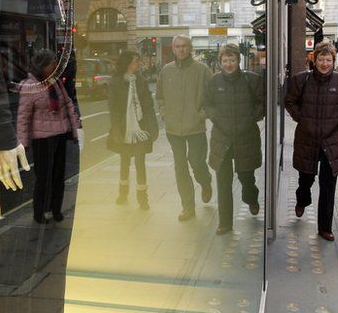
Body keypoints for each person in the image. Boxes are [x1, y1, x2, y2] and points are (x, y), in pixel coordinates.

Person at [284, 42, 338, 241]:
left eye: (329, 60)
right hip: (307, 137)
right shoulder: (301, 80)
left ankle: (325, 227)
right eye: (321, 59)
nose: (324, 64)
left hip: (331, 140)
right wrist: (302, 118)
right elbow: (290, 101)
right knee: (305, 179)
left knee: (328, 185)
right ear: (314, 59)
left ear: (334, 61)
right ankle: (302, 201)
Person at [204, 44, 266, 235]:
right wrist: (217, 118)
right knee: (223, 181)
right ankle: (225, 223)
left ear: (238, 60)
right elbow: (207, 105)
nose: (229, 64)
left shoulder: (252, 79)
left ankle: (251, 198)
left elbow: (262, 104)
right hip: (222, 138)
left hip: (246, 136)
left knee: (246, 177)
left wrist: (248, 120)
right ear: (220, 62)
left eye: (232, 60)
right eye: (225, 61)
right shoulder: (214, 81)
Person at [17, 49, 81, 224]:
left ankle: (56, 209)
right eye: (52, 63)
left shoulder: (56, 82)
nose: (55, 65)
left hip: (60, 134)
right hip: (42, 138)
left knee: (58, 175)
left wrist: (76, 131)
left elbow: (68, 105)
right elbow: (23, 116)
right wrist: (23, 142)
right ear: (42, 66)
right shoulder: (30, 86)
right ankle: (39, 212)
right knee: (44, 177)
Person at [157, 35, 214, 221]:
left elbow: (212, 98)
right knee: (180, 167)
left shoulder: (202, 70)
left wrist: (202, 115)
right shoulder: (166, 71)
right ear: (173, 49)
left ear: (190, 48)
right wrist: (165, 113)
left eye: (184, 46)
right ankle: (188, 207)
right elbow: (159, 96)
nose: (181, 49)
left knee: (197, 163)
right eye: (177, 46)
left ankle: (205, 182)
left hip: (195, 127)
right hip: (174, 129)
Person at [107, 51, 159, 210]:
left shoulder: (141, 81)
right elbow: (114, 109)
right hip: (124, 129)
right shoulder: (116, 82)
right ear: (128, 63)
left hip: (140, 128)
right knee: (124, 162)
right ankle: (123, 194)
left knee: (140, 163)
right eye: (137, 61)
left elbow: (149, 106)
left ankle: (143, 198)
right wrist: (116, 130)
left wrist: (152, 127)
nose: (139, 63)